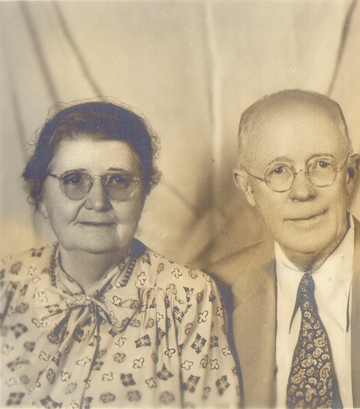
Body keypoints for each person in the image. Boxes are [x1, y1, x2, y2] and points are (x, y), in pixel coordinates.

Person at [0, 99, 240, 408]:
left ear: (142, 197)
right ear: (42, 199)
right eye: (74, 180)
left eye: (119, 181)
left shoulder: (188, 297)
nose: (97, 202)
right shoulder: (7, 285)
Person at [209, 90, 360, 408]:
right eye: (278, 171)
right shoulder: (210, 293)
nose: (302, 191)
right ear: (247, 187)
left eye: (321, 165)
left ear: (350, 174)